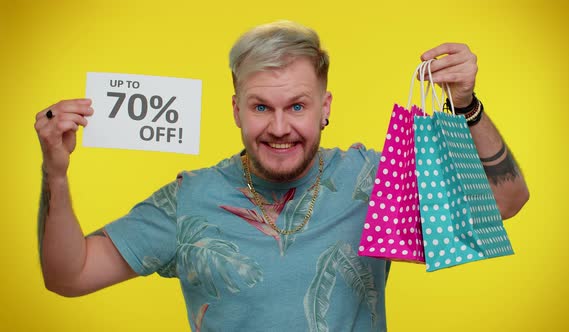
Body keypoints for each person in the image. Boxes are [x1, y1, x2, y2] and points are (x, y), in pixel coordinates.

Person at [35, 21, 529, 331]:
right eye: (260, 107)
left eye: (296, 105)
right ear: (236, 110)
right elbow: (69, 275)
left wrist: (465, 106)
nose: (278, 127)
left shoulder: (372, 178)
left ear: (324, 108)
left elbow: (504, 203)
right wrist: (55, 174)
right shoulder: (191, 198)